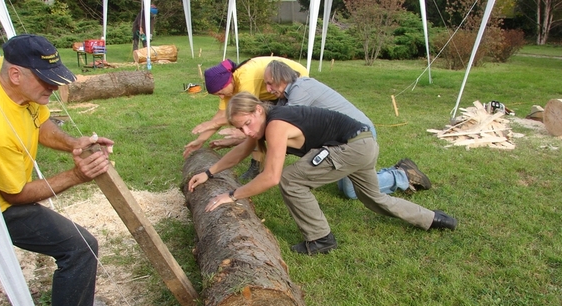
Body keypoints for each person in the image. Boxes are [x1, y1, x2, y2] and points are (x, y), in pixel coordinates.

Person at [188, 92, 457, 255]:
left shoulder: (276, 124)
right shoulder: (268, 120)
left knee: (290, 179)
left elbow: (271, 177)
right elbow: (242, 151)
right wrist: (209, 173)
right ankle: (434, 219)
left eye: (248, 124)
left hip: (351, 147)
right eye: (241, 128)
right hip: (363, 143)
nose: (247, 132)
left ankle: (320, 238)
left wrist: (232, 195)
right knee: (374, 198)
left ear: (258, 110)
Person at [0, 34, 114, 306]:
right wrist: (76, 175)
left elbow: (40, 122)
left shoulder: (7, 77)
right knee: (79, 248)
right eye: (46, 82)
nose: (52, 89)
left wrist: (76, 143)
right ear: (16, 74)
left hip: (1, 193)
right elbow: (14, 195)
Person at [263, 59, 432, 198]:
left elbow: (284, 128)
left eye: (270, 84)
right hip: (342, 138)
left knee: (351, 191)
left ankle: (403, 174)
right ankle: (398, 173)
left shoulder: (301, 89)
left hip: (358, 136)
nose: (268, 90)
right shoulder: (289, 95)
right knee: (347, 187)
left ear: (283, 77)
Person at [183, 56, 308, 181]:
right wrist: (200, 140)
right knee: (254, 128)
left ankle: (280, 162)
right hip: (270, 91)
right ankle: (257, 166)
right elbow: (220, 115)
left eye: (221, 92)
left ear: (228, 82)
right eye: (217, 95)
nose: (221, 97)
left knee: (269, 125)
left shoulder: (245, 78)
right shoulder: (228, 86)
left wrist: (214, 124)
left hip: (293, 79)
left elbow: (246, 114)